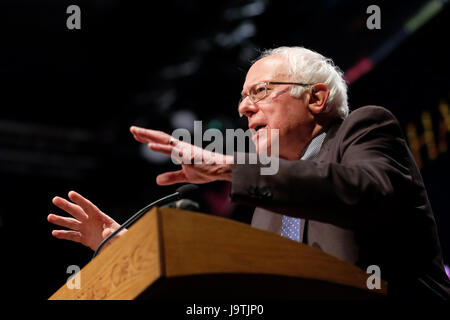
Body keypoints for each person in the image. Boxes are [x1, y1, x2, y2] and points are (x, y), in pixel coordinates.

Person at [48, 46, 450, 299]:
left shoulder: (364, 129)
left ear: (315, 98)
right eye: (242, 98)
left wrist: (230, 165)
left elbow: (366, 194)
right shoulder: (266, 209)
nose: (243, 109)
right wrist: (135, 252)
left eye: (259, 92)